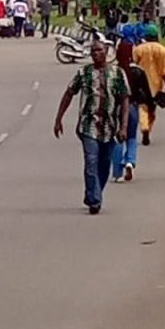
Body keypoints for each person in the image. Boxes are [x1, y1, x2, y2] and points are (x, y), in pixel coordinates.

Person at [53, 41, 130, 215]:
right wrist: (59, 118)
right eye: (93, 51)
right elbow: (69, 93)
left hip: (110, 127)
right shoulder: (84, 73)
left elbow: (125, 99)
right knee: (91, 161)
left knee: (104, 165)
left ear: (106, 52)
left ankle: (94, 193)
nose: (96, 54)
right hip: (88, 126)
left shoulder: (117, 73)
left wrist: (123, 126)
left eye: (99, 51)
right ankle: (94, 200)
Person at [111, 62, 151, 183]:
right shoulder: (138, 71)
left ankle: (118, 173)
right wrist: (150, 104)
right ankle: (130, 161)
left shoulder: (114, 71)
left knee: (118, 138)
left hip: (117, 107)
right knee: (132, 137)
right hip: (133, 106)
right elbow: (146, 89)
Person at [134, 25, 165, 145]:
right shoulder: (163, 50)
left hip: (140, 83)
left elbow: (133, 66)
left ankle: (144, 127)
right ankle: (148, 129)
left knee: (142, 107)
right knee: (152, 110)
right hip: (156, 86)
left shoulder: (139, 49)